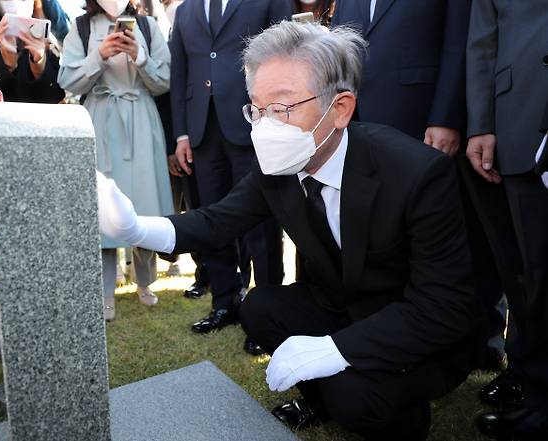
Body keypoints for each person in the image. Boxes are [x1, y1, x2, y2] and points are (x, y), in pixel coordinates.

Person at [96, 21, 486, 440]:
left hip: (416, 328)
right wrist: (136, 229)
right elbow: (218, 221)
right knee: (261, 308)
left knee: (356, 398)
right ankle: (321, 399)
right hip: (342, 305)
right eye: (257, 110)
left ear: (340, 109)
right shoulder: (277, 167)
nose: (266, 128)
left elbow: (443, 306)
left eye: (282, 109)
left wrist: (335, 349)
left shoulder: (417, 173)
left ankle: (400, 416)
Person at [331, 0, 510, 373]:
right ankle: (397, 327)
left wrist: (446, 115)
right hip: (360, 122)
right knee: (386, 232)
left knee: (456, 232)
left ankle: (482, 337)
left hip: (423, 117)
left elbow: (459, 41)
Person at [168, 0, 291, 352]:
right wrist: (181, 134)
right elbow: (181, 72)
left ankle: (267, 313)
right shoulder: (185, 9)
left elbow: (284, 56)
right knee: (210, 218)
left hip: (254, 123)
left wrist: (275, 121)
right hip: (202, 131)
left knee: (261, 227)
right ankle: (224, 302)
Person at [58, 0, 173, 320]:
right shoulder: (80, 28)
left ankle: (145, 282)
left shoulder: (148, 26)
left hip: (141, 119)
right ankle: (105, 290)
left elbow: (164, 81)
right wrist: (99, 56)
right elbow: (67, 80)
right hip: (100, 121)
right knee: (102, 209)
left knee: (145, 204)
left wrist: (140, 56)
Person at [467, 1, 548, 438]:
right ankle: (537, 397)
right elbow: (483, 39)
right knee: (532, 274)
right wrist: (481, 123)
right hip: (520, 121)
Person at [0, 0, 65, 103]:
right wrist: (5, 63)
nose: (15, 4)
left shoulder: (48, 44)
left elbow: (56, 97)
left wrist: (39, 63)